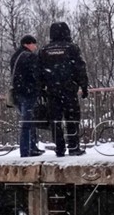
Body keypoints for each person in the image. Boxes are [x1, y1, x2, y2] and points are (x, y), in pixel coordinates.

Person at [37, 21, 89, 157]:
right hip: (68, 89)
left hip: (52, 91)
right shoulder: (71, 48)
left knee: (55, 120)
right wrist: (84, 86)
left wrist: (41, 89)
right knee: (72, 118)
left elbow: (38, 72)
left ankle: (59, 148)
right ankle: (73, 146)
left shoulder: (44, 51)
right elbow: (80, 68)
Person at [9, 34, 43, 157]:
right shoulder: (30, 57)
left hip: (18, 93)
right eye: (34, 44)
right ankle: (26, 150)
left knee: (28, 121)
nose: (35, 46)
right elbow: (36, 74)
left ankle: (30, 147)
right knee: (28, 122)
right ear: (27, 44)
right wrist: (40, 87)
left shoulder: (15, 56)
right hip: (28, 93)